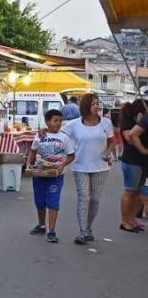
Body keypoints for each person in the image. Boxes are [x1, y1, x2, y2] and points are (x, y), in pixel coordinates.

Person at [62, 93, 115, 245]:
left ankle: (89, 227)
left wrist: (107, 152)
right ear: (86, 106)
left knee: (95, 199)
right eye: (94, 104)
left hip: (101, 167)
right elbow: (61, 136)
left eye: (98, 103)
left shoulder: (106, 123)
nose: (97, 106)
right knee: (84, 198)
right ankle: (83, 231)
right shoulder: (73, 124)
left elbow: (112, 141)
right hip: (80, 166)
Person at [26, 110, 75, 243]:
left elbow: (71, 155)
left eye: (60, 121)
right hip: (39, 173)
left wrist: (63, 165)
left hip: (56, 175)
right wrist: (29, 162)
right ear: (47, 122)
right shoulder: (40, 135)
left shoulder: (64, 138)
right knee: (39, 201)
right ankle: (42, 225)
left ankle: (51, 231)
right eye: (55, 120)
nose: (58, 123)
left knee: (53, 202)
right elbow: (33, 150)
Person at [118, 100, 148, 232]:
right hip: (132, 161)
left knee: (136, 193)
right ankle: (125, 221)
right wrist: (143, 149)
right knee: (129, 191)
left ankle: (132, 219)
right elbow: (130, 137)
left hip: (141, 162)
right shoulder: (128, 122)